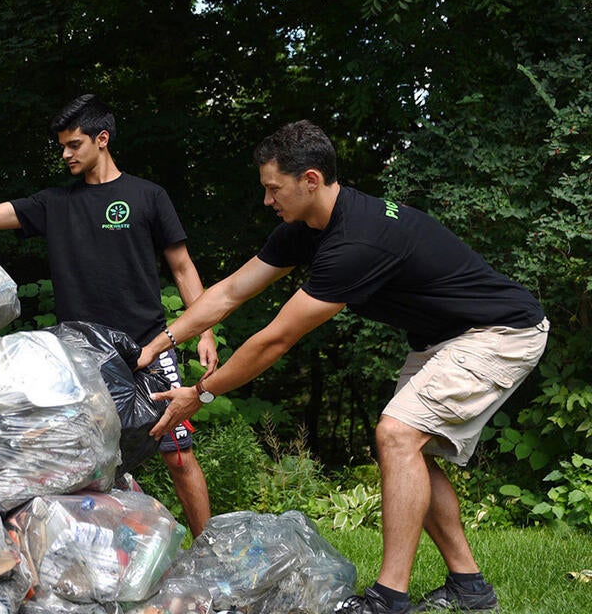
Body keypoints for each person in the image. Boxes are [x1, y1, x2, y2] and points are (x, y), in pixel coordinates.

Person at [141, 120, 548, 614]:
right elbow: (228, 293)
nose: (268, 201)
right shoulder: (305, 228)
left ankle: (389, 598)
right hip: (443, 338)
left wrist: (199, 394)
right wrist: (157, 343)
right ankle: (470, 587)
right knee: (413, 449)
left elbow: (276, 339)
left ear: (310, 180)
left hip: (500, 332)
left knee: (397, 434)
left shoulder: (357, 242)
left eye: (274, 189)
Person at [0, 93, 219, 536]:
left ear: (102, 139)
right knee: (90, 460)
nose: (66, 154)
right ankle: (112, 558)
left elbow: (182, 266)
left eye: (74, 144)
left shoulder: (148, 196)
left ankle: (207, 547)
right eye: (62, 146)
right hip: (82, 356)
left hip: (150, 345)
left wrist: (203, 328)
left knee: (178, 453)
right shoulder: (55, 202)